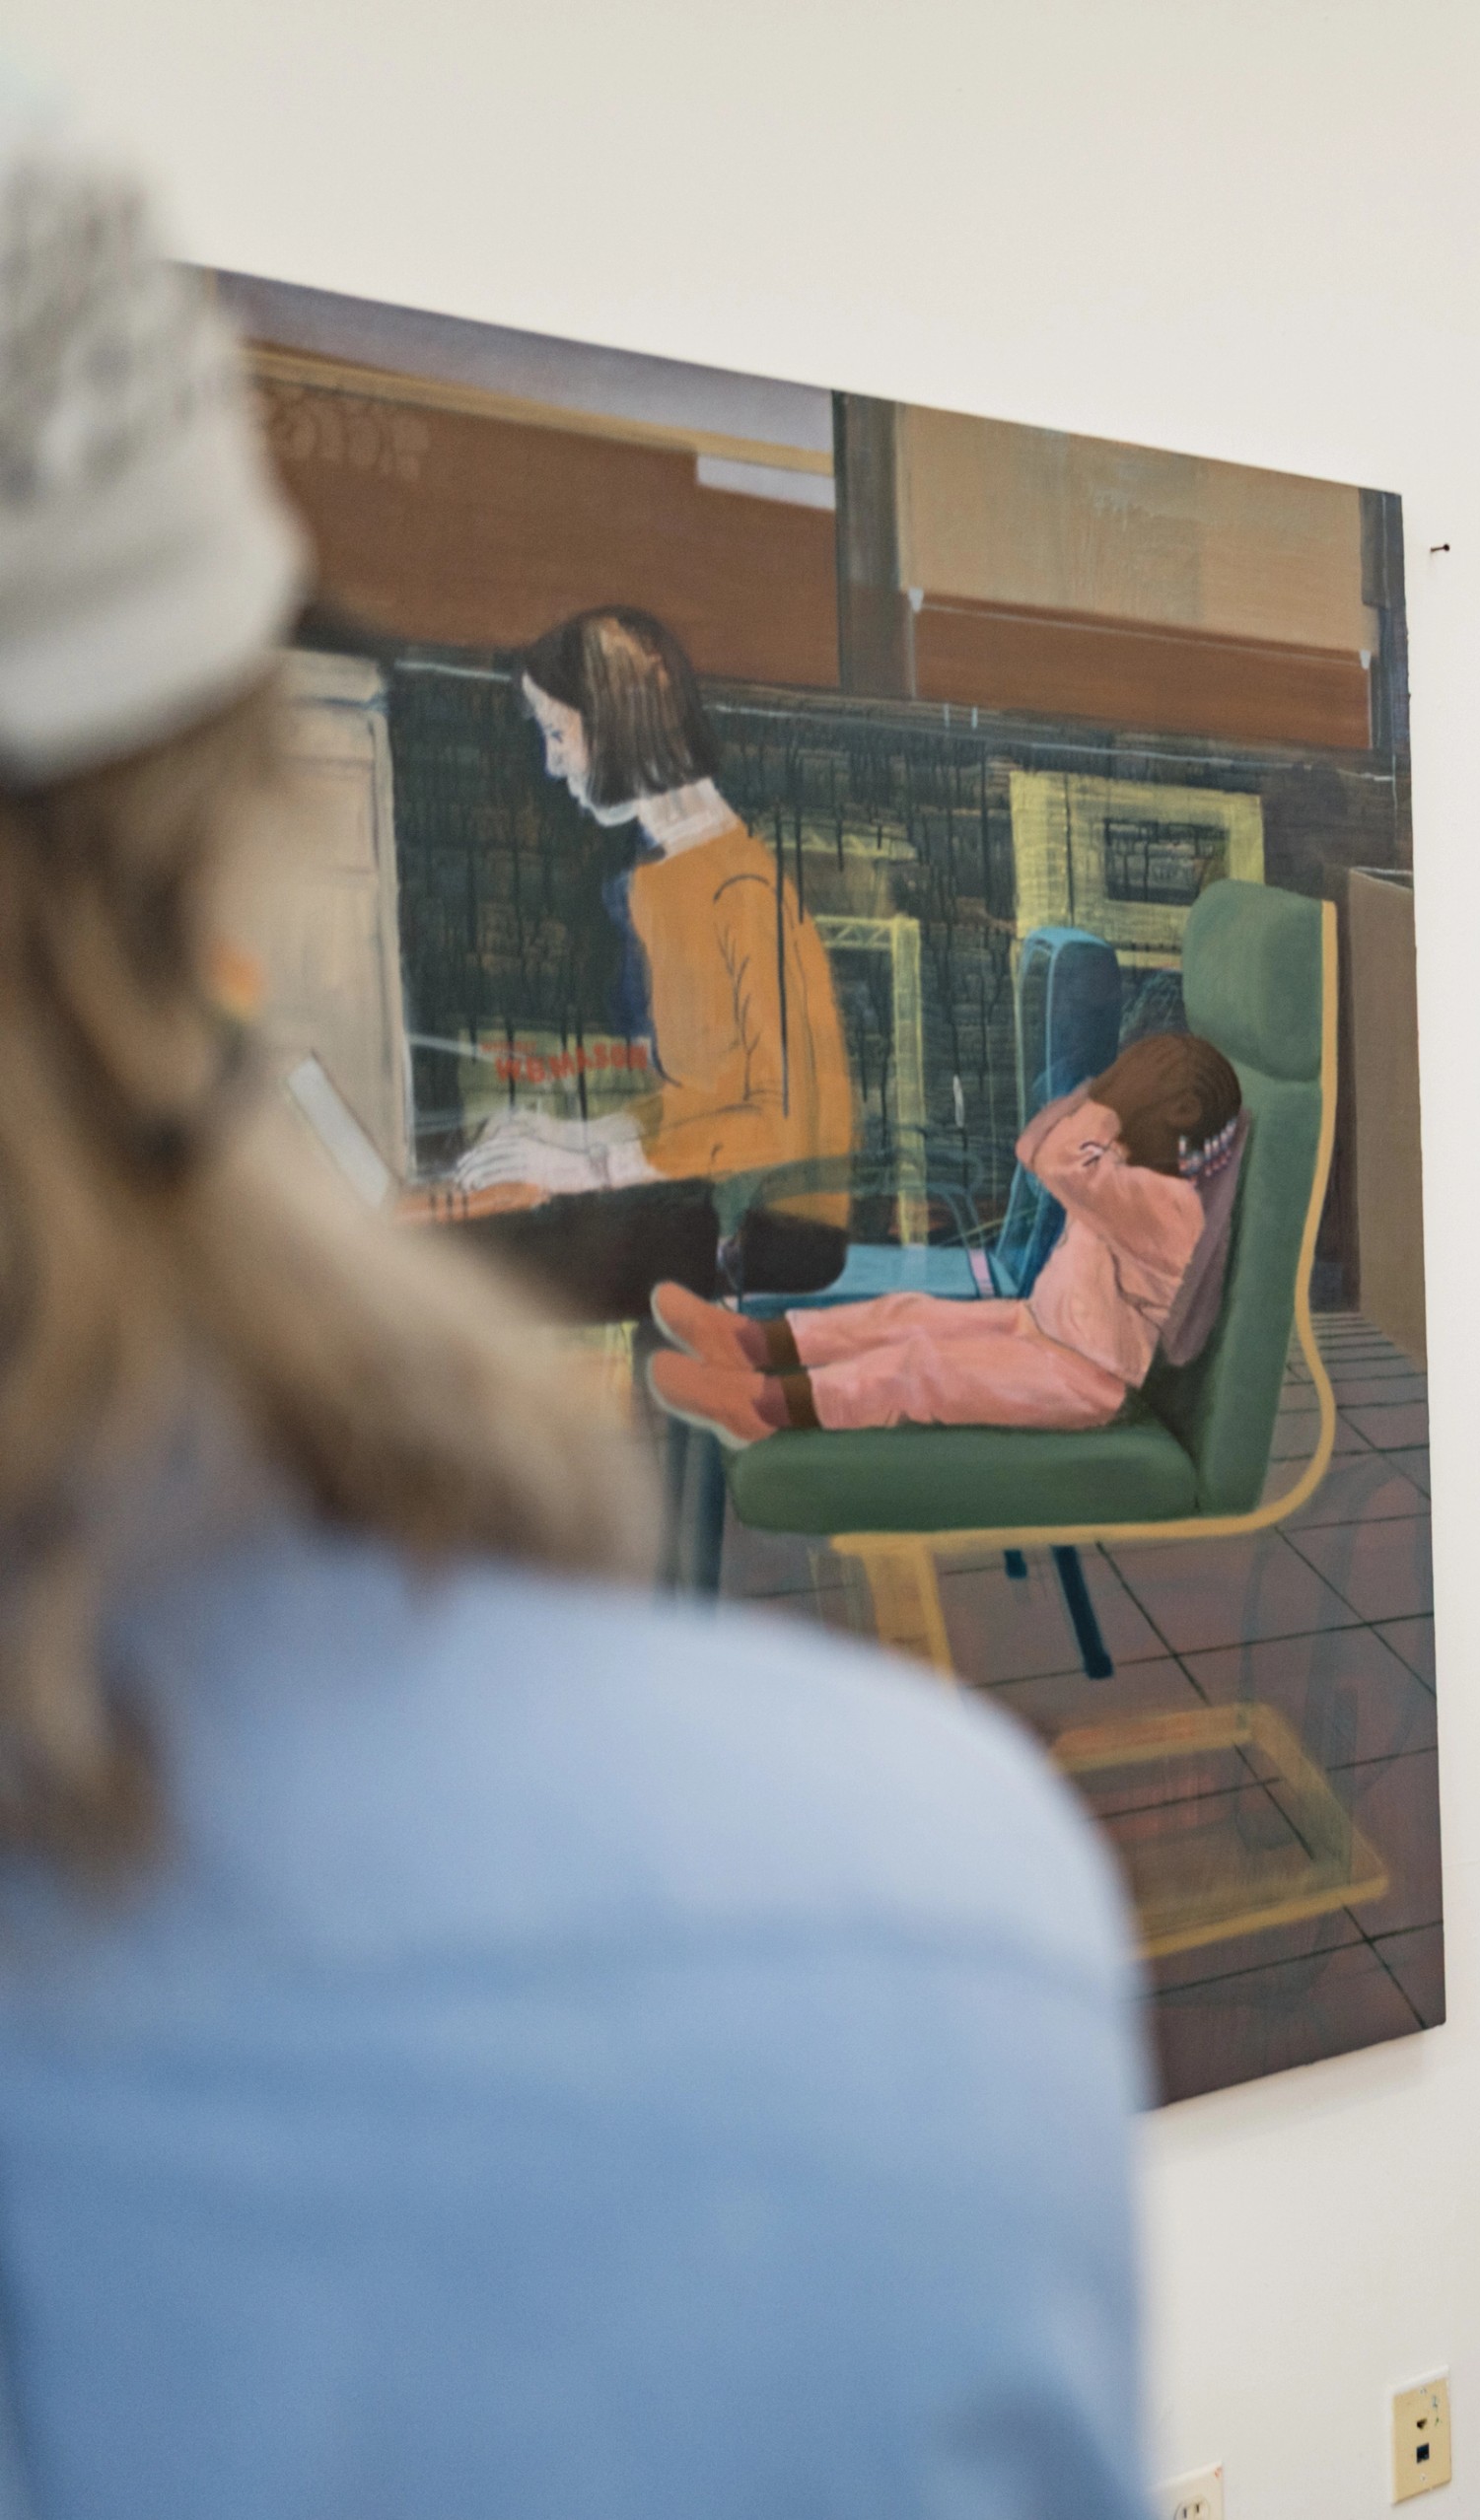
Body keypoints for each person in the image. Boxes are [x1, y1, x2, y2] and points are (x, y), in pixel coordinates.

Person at [0, 94, 1146, 2518]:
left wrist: (591, 1153)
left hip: (788, 1223)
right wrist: (592, 1131)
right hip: (770, 1219)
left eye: (538, 734)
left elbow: (746, 1125)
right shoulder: (920, 1934)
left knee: (627, 1265)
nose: (531, 762)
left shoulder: (691, 879)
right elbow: (699, 1094)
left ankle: (720, 1414)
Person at [444, 603, 858, 1316]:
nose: (550, 764)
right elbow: (697, 1097)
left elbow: (775, 1125)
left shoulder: (741, 887)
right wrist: (574, 1136)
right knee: (477, 1242)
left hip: (767, 1224)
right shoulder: (665, 880)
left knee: (479, 1268)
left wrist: (584, 1167)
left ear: (615, 724)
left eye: (556, 733)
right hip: (710, 1200)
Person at [650, 1029, 1243, 1442]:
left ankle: (763, 1409)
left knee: (917, 1366)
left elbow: (1051, 1154)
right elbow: (1032, 1148)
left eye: (1135, 1086)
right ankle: (753, 1345)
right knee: (902, 1313)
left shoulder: (1169, 1205)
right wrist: (1104, 1097)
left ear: (1180, 1112)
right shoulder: (1133, 1177)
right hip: (1041, 1327)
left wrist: (1104, 1098)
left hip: (1083, 1379)